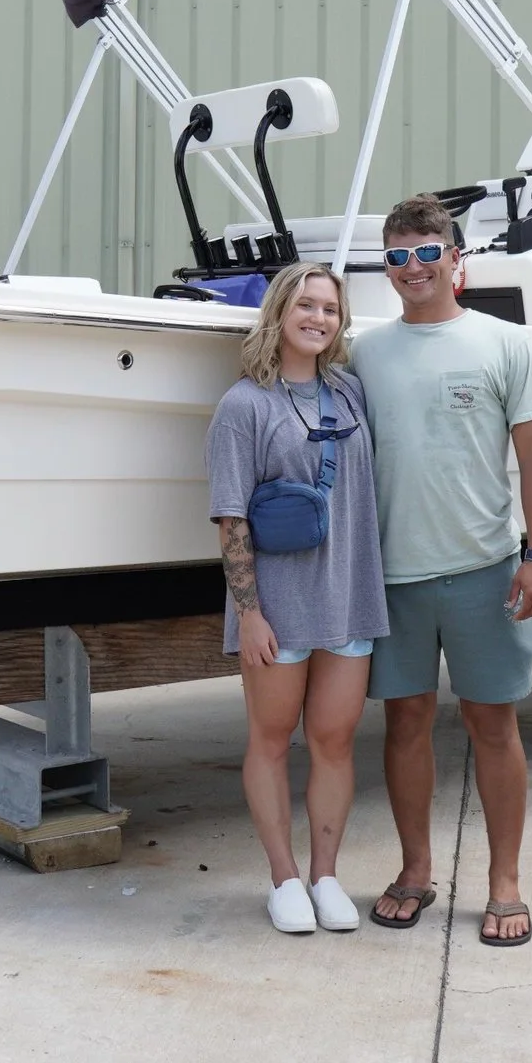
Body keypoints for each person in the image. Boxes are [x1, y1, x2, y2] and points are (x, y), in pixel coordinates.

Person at [353, 193, 532, 948]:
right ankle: (415, 870)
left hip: (486, 569)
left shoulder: (506, 343)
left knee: (492, 724)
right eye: (398, 256)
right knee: (404, 722)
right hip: (394, 578)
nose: (413, 268)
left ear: (454, 258)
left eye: (426, 252)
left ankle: (505, 882)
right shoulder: (363, 351)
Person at [207, 262, 390, 934]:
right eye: (307, 305)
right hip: (277, 607)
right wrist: (249, 611)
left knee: (336, 738)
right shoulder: (243, 405)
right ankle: (283, 876)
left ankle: (326, 875)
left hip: (349, 595)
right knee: (272, 738)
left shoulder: (350, 392)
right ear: (280, 311)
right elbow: (231, 517)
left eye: (331, 309)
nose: (319, 317)